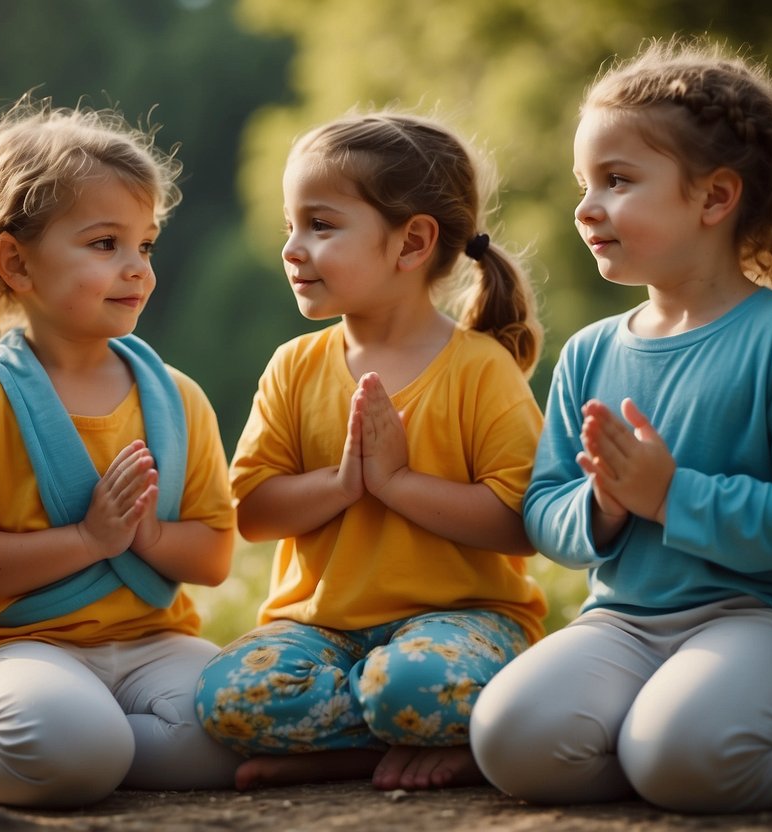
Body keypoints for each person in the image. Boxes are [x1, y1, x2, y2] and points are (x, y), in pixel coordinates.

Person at [469, 38, 772, 813]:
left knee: (686, 761)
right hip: (630, 619)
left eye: (618, 180)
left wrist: (672, 496)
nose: (587, 206)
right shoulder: (591, 350)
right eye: (584, 183)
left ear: (712, 198)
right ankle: (666, 757)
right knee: (508, 739)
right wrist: (600, 507)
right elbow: (543, 509)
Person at [0, 95, 241, 808]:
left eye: (144, 244)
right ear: (16, 263)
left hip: (154, 643)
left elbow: (211, 557)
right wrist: (89, 539)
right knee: (77, 745)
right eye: (103, 244)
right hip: (23, 647)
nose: (137, 269)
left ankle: (82, 745)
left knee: (247, 724)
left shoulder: (179, 401)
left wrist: (144, 534)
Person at [194, 111, 548, 792]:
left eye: (320, 226)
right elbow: (254, 511)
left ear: (411, 242)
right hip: (320, 632)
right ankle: (390, 743)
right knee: (225, 696)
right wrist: (343, 484)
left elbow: (518, 523)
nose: (292, 249)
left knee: (413, 682)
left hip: (464, 624)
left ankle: (401, 735)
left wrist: (397, 482)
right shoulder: (294, 365)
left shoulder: (480, 368)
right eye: (289, 227)